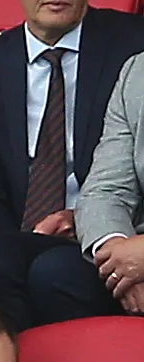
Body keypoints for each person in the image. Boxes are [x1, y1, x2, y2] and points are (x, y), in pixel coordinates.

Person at [0, 0, 144, 330]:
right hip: (32, 234)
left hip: (104, 238)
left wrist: (98, 234)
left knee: (53, 271)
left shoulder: (133, 47)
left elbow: (118, 184)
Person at [75, 51, 144, 315]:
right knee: (56, 275)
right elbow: (106, 189)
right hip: (133, 247)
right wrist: (119, 258)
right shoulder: (137, 71)